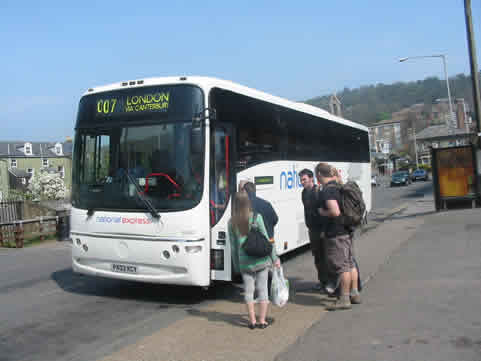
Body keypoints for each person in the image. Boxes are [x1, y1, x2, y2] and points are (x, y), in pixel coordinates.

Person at [228, 191, 280, 329]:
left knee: (248, 292)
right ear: (248, 202)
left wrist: (236, 265)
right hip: (261, 260)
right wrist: (275, 258)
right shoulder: (257, 217)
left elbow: (233, 247)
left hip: (245, 262)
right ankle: (262, 321)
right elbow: (267, 239)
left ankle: (252, 321)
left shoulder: (231, 222)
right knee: (263, 290)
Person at [315, 162, 361, 310]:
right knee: (350, 263)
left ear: (320, 175)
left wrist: (322, 213)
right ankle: (354, 294)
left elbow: (335, 212)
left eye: (316, 175)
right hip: (346, 230)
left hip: (336, 233)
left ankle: (344, 298)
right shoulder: (338, 186)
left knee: (342, 267)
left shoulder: (328, 190)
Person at [299, 168, 329, 292]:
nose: (302, 182)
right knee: (317, 258)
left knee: (326, 258)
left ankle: (330, 283)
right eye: (301, 180)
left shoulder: (319, 191)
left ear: (311, 178)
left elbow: (325, 210)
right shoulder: (303, 193)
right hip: (312, 230)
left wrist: (324, 230)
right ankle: (322, 282)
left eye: (304, 179)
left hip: (322, 230)